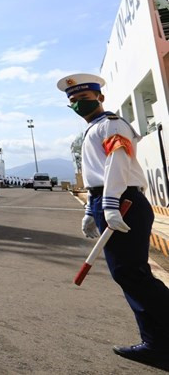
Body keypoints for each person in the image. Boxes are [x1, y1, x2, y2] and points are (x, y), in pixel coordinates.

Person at [58, 73, 169, 369]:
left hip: (122, 200)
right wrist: (90, 210)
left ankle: (158, 343)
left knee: (132, 274)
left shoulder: (111, 124)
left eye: (83, 98)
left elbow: (117, 161)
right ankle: (157, 343)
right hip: (109, 199)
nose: (78, 104)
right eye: (72, 101)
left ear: (99, 97)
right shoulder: (94, 129)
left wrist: (108, 204)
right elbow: (98, 170)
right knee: (128, 273)